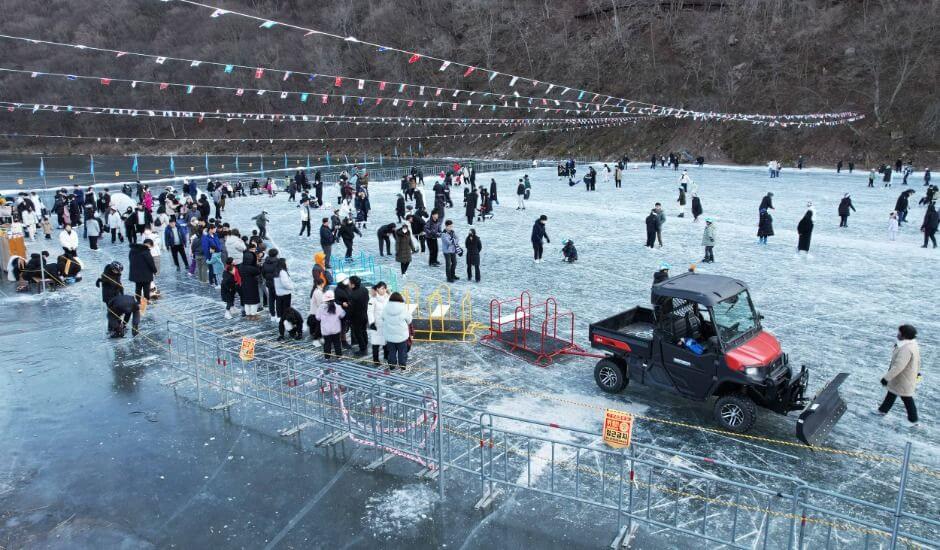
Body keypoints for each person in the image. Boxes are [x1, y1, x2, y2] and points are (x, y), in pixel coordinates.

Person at [875, 325, 920, 427]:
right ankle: (882, 410)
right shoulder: (912, 344)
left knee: (907, 398)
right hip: (902, 378)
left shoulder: (906, 349)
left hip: (903, 379)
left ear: (904, 335)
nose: (897, 334)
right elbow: (917, 361)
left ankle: (913, 420)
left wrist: (886, 378)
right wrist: (917, 372)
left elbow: (898, 366)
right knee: (891, 394)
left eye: (899, 333)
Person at [381, 292, 412, 371]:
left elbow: (382, 317)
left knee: (391, 352)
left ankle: (392, 366)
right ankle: (402, 367)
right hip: (401, 336)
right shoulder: (403, 308)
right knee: (402, 352)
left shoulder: (385, 308)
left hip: (389, 336)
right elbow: (409, 320)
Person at [316, 290, 346, 359]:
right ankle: (339, 357)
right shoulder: (337, 307)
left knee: (327, 344)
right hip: (336, 330)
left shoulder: (321, 308)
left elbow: (317, 318)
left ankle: (327, 358)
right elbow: (342, 315)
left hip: (326, 331)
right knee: (337, 343)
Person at [346, 276, 370, 357]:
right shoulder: (364, 289)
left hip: (356, 318)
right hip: (364, 314)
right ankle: (366, 344)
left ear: (353, 284)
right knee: (364, 330)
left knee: (358, 333)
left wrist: (348, 318)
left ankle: (363, 349)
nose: (348, 284)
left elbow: (351, 309)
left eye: (349, 282)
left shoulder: (352, 295)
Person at [128, 240, 157, 305]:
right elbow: (151, 262)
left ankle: (138, 300)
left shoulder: (132, 250)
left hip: (135, 273)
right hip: (146, 273)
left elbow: (130, 259)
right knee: (146, 287)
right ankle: (147, 300)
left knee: (138, 287)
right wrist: (155, 271)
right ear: (149, 244)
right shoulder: (145, 251)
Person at [367, 282, 390, 365]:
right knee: (376, 343)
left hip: (386, 324)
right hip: (376, 325)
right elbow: (370, 312)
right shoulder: (373, 299)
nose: (384, 290)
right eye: (382, 288)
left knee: (386, 342)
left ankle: (386, 357)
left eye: (385, 288)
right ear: (377, 289)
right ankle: (376, 359)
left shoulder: (388, 298)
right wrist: (372, 322)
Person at [239, 250, 263, 319]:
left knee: (246, 301)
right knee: (253, 301)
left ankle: (248, 314)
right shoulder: (251, 268)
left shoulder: (241, 266)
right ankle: (253, 315)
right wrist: (257, 265)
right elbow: (258, 271)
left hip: (244, 284)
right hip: (252, 285)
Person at [273, 257, 294, 326]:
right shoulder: (282, 272)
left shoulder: (276, 270)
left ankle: (280, 319)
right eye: (285, 262)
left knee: (279, 306)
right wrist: (291, 287)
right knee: (286, 308)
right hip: (285, 293)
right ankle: (286, 321)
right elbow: (285, 283)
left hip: (279, 293)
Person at [262, 249, 281, 320]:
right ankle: (278, 316)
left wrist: (267, 278)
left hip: (269, 283)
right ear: (276, 254)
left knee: (271, 299)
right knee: (278, 300)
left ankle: (272, 315)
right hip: (277, 284)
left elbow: (263, 273)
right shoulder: (278, 262)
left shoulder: (265, 262)